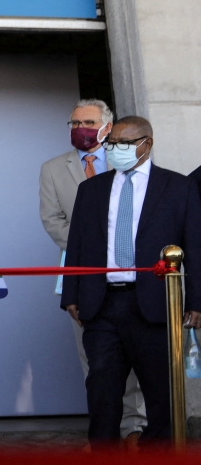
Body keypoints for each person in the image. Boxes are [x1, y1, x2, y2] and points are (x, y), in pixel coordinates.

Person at [61, 115, 201, 444]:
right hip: (102, 305)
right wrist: (70, 295)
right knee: (103, 394)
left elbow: (194, 248)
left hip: (156, 306)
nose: (114, 150)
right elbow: (77, 244)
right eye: (111, 144)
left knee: (162, 396)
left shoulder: (179, 188)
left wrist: (196, 302)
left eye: (123, 144)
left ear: (146, 144)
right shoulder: (91, 189)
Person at [39, 99, 146, 445]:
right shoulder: (53, 169)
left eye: (86, 121)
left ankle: (133, 428)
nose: (78, 128)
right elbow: (52, 220)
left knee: (133, 353)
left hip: (130, 273)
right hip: (81, 272)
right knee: (95, 361)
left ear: (106, 126)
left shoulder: (128, 161)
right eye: (73, 123)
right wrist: (92, 246)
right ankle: (103, 433)